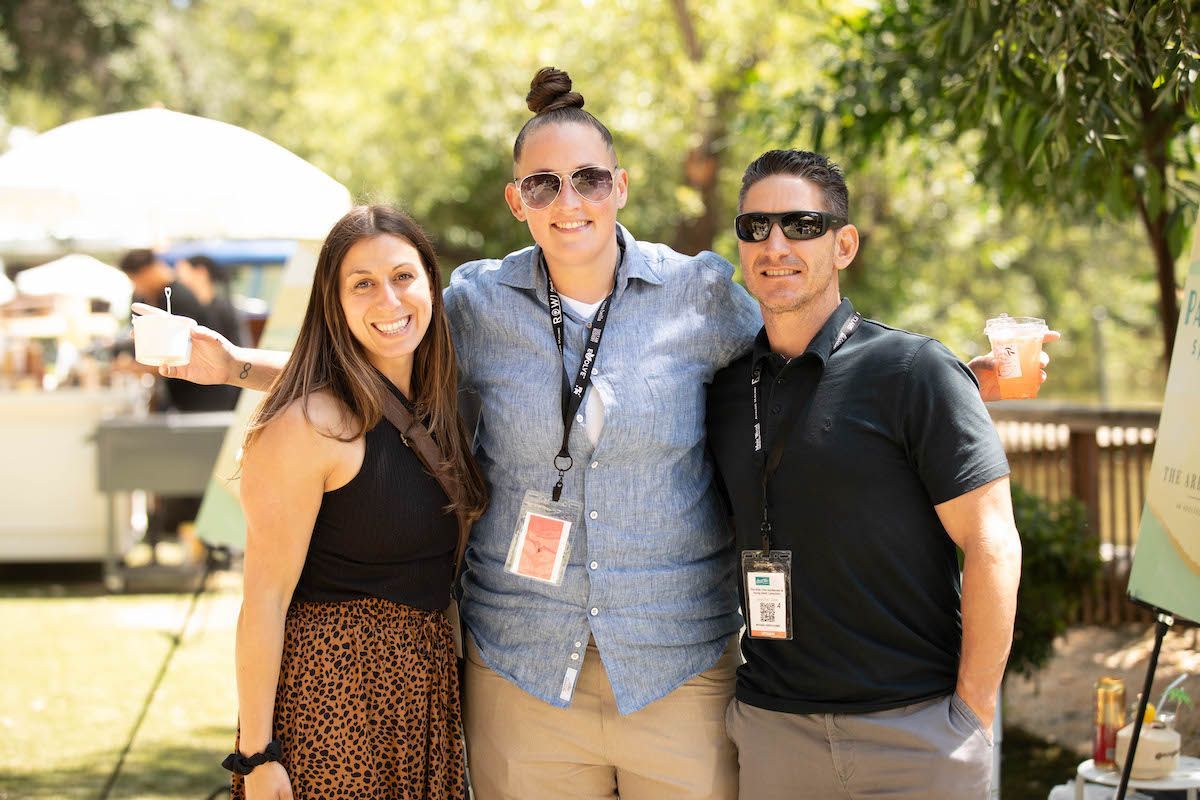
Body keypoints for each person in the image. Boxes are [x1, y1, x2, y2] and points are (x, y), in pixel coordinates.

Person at [140, 70, 1036, 800]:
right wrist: (238, 368)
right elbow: (376, 359)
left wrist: (970, 373)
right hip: (521, 673)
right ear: (517, 199)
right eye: (544, 184)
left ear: (620, 188)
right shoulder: (476, 306)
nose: (569, 200)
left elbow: (820, 342)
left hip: (678, 672)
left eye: (588, 179)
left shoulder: (701, 293)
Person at [705, 149, 1024, 800]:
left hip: (916, 734)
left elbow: (993, 542)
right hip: (774, 733)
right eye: (754, 228)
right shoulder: (726, 389)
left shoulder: (916, 371)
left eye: (800, 225)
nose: (775, 244)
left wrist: (971, 715)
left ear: (843, 244)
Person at [226, 205, 486, 800]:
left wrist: (236, 365)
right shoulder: (312, 423)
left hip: (423, 692)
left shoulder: (438, 402)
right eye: (362, 284)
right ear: (333, 303)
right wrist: (257, 756)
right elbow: (262, 601)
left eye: (402, 276)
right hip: (331, 698)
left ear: (429, 284)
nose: (389, 301)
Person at [176, 254, 250, 359]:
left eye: (181, 275)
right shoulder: (193, 309)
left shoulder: (224, 308)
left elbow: (240, 347)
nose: (179, 281)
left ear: (201, 272)